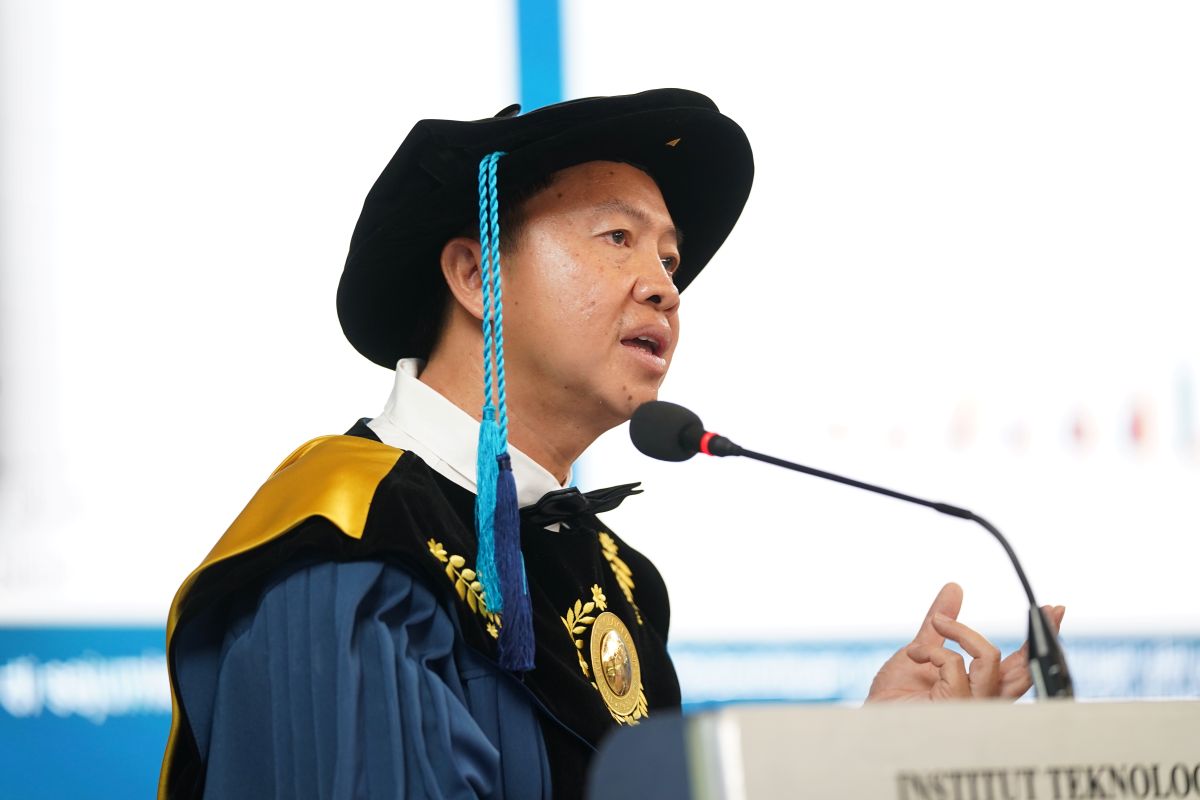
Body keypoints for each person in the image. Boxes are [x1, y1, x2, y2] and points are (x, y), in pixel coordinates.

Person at [158, 89, 1064, 800]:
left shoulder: (611, 578)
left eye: (669, 259)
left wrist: (874, 761)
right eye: (618, 238)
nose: (665, 288)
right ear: (475, 275)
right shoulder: (350, 559)